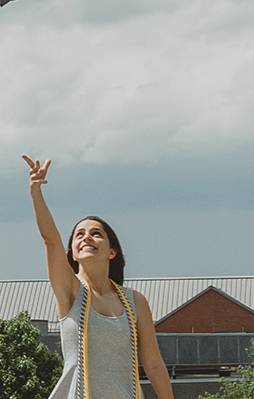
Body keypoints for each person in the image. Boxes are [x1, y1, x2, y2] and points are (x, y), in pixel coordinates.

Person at [24, 155, 173, 399]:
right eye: (79, 235)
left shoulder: (135, 301)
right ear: (72, 251)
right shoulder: (71, 291)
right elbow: (50, 240)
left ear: (112, 251)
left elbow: (154, 365)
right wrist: (36, 193)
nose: (86, 238)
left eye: (96, 234)